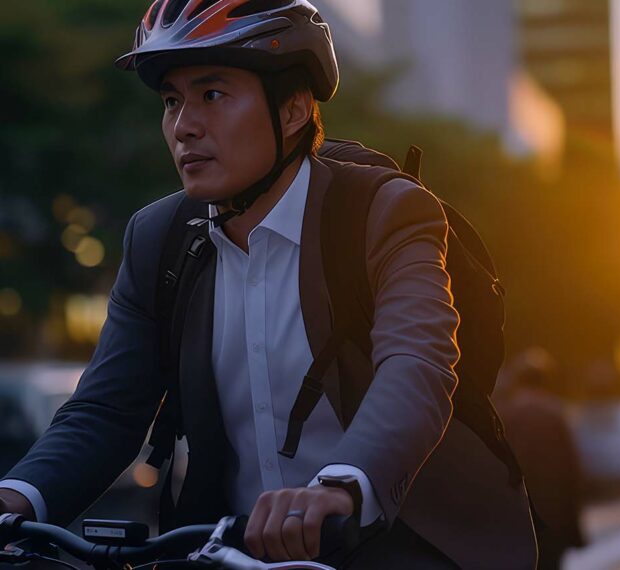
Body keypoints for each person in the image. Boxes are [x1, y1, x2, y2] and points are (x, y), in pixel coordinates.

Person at [0, 1, 537, 568]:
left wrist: (341, 487)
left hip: (406, 538)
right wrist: (17, 495)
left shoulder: (383, 212)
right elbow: (106, 411)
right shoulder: (157, 238)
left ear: (294, 110)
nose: (184, 126)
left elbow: (417, 363)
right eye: (171, 101)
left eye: (212, 95)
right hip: (228, 549)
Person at [494, 348, 586, 570]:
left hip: (516, 512)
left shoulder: (504, 413)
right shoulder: (556, 414)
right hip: (551, 514)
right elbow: (572, 469)